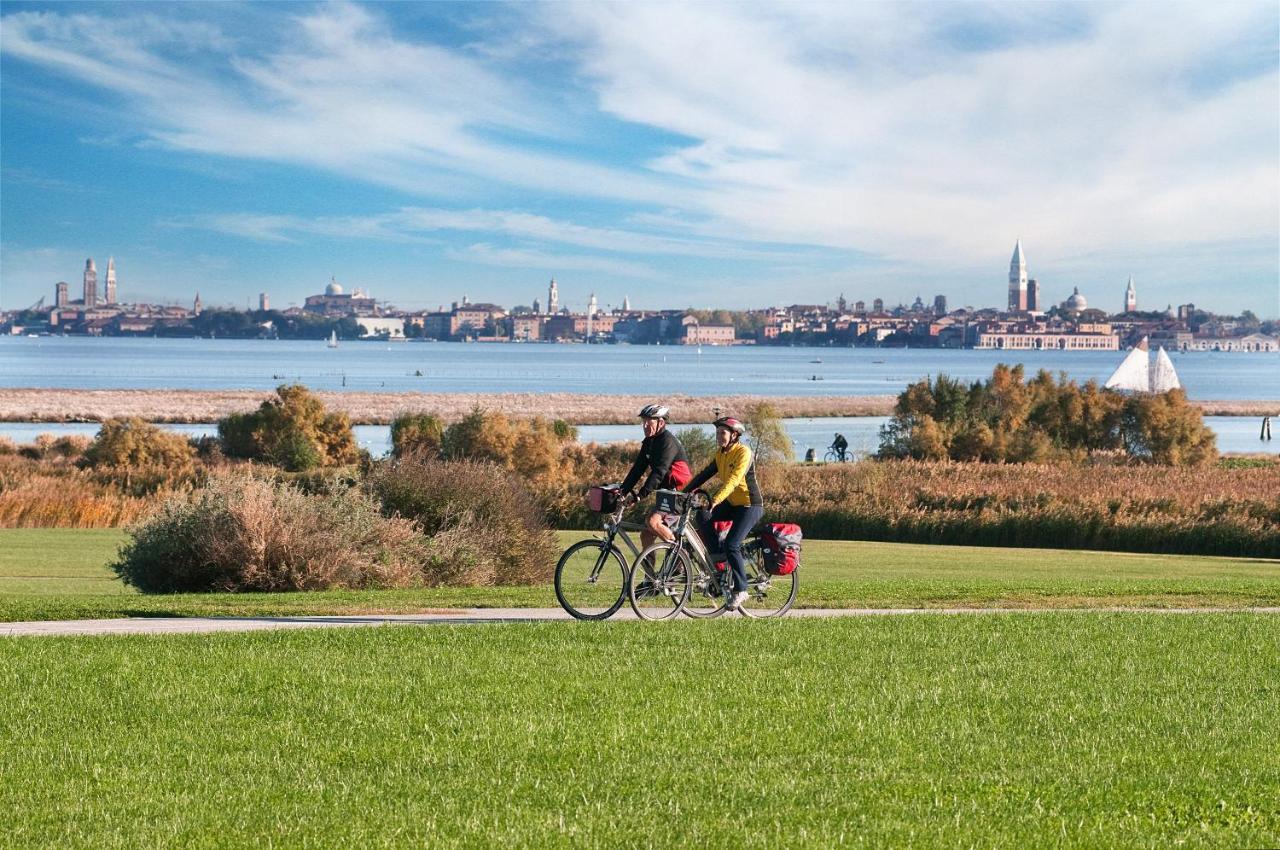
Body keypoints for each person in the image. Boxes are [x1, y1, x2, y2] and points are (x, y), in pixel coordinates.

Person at [684, 416, 764, 612]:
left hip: (749, 505)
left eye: (723, 433)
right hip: (732, 504)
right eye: (717, 433)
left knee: (733, 544)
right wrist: (684, 491)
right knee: (703, 516)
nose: (719, 436)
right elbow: (705, 474)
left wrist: (716, 500)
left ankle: (742, 589)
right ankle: (719, 559)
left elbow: (734, 481)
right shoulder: (721, 454)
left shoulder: (743, 452)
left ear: (734, 435)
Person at [619, 404, 692, 549]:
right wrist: (622, 491)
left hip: (680, 493)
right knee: (646, 535)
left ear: (661, 423)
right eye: (643, 421)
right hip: (667, 493)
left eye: (649, 421)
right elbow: (637, 470)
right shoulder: (649, 442)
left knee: (653, 522)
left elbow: (659, 472)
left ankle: (681, 554)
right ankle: (650, 572)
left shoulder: (668, 442)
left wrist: (640, 495)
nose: (645, 425)